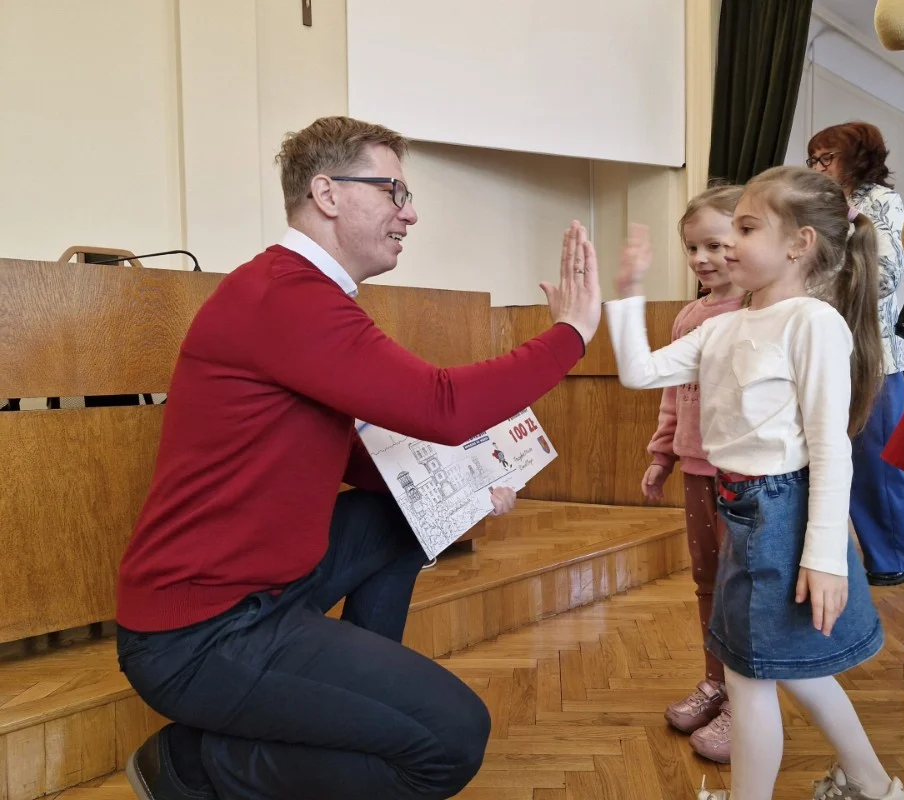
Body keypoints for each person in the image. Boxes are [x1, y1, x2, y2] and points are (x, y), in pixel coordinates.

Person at [115, 116, 602, 800]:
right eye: (393, 190)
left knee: (399, 513)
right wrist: (571, 334)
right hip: (202, 632)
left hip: (263, 595)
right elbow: (441, 404)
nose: (410, 212)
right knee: (451, 741)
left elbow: (364, 461)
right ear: (327, 193)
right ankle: (194, 767)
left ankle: (359, 706)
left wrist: (467, 490)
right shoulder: (284, 297)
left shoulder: (297, 294)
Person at [605, 166, 904, 800]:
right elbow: (638, 372)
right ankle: (875, 787)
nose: (729, 243)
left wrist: (825, 556)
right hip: (741, 506)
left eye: (746, 227)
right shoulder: (722, 325)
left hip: (782, 512)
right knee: (783, 672)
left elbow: (830, 447)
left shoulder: (812, 322)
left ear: (799, 244)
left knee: (749, 675)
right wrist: (627, 293)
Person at [642, 183, 745, 761]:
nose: (702, 259)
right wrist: (662, 455)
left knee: (743, 591)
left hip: (750, 479)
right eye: (691, 248)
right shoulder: (688, 316)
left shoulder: (764, 311)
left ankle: (747, 702)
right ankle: (717, 682)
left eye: (716, 244)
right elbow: (673, 396)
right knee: (707, 583)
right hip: (698, 473)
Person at [806, 122, 904, 586]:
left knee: (878, 467)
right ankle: (843, 557)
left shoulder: (880, 202)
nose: (816, 168)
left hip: (874, 359)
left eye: (825, 158)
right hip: (825, 352)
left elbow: (886, 277)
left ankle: (894, 561)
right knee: (830, 459)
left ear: (857, 157)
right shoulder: (819, 208)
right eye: (812, 160)